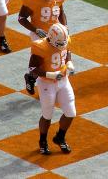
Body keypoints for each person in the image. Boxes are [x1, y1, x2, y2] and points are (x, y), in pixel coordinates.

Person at [28, 23, 76, 155]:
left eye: (63, 42)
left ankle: (60, 137)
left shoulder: (63, 40)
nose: (62, 45)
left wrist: (69, 62)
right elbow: (32, 69)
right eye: (59, 43)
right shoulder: (41, 47)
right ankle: (42, 140)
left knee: (71, 113)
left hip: (63, 80)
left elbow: (67, 51)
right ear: (51, 38)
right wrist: (50, 75)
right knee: (47, 114)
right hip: (46, 83)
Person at [18, 0, 68, 95]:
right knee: (40, 63)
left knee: (58, 57)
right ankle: (31, 77)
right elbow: (21, 18)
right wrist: (36, 30)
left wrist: (64, 27)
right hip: (40, 34)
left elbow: (61, 12)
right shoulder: (33, 0)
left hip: (56, 33)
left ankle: (55, 87)